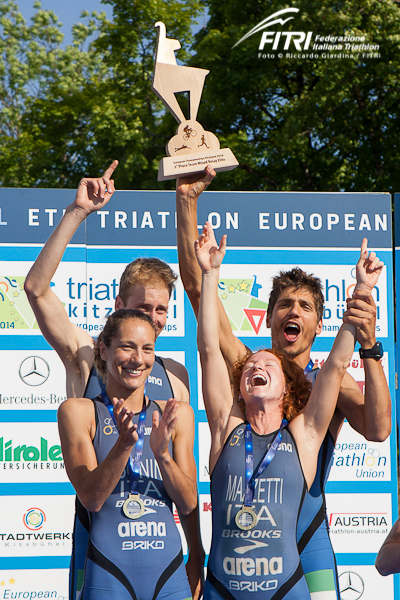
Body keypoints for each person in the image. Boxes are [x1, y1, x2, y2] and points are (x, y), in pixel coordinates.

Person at [176, 167, 391, 599]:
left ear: (317, 322)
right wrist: (186, 203)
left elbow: (379, 429)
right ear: (270, 317)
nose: (294, 310)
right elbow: (200, 295)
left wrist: (369, 349)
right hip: (235, 550)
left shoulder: (323, 385)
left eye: (306, 306)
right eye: (285, 304)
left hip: (309, 545)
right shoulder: (248, 367)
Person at [24, 162, 204, 599]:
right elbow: (35, 289)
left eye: (162, 311)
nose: (154, 320)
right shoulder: (87, 354)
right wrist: (77, 212)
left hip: (162, 557)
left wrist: (196, 553)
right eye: (144, 309)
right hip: (98, 548)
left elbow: (187, 482)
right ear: (120, 303)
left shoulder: (173, 375)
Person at [58, 308, 196, 599]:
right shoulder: (79, 412)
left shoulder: (175, 414)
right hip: (107, 575)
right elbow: (92, 499)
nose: (138, 359)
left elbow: (188, 502)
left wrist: (163, 456)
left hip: (168, 576)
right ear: (104, 351)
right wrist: (123, 445)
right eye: (127, 347)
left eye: (147, 349)